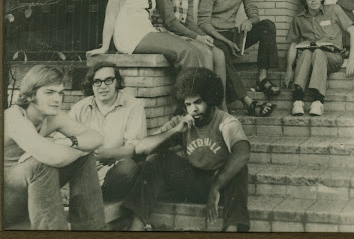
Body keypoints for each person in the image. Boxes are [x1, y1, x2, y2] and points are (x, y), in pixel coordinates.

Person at [123, 68, 250, 232]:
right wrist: (175, 131)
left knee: (240, 170)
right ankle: (136, 228)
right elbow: (141, 148)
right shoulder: (182, 122)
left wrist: (216, 186)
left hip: (221, 184)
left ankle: (231, 230)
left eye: (198, 102)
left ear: (210, 99)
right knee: (157, 158)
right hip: (192, 181)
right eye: (188, 104)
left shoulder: (225, 122)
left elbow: (242, 153)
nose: (193, 110)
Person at [4, 65, 105, 230]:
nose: (57, 99)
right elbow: (54, 158)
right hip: (6, 204)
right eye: (49, 93)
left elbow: (97, 138)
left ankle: (92, 228)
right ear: (30, 95)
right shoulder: (13, 118)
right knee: (41, 162)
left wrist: (70, 142)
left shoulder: (52, 116)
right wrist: (81, 147)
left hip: (29, 196)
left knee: (85, 157)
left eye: (60, 93)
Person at [197, 0, 278, 117]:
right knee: (221, 54)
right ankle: (248, 103)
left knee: (267, 26)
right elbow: (203, 23)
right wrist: (225, 41)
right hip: (214, 35)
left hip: (232, 33)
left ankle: (262, 78)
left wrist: (250, 21)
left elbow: (254, 13)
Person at [153, 0, 228, 109]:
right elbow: (170, 22)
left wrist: (204, 36)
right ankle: (207, 105)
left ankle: (221, 106)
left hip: (183, 34)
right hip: (167, 34)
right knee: (206, 53)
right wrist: (197, 38)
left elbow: (190, 22)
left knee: (219, 54)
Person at [70, 61, 147, 202]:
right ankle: (85, 194)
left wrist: (108, 154)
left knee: (128, 168)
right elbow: (65, 142)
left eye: (108, 80)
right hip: (84, 169)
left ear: (117, 82)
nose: (103, 86)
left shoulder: (134, 107)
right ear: (91, 85)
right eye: (97, 82)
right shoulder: (79, 108)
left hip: (114, 170)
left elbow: (135, 149)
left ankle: (94, 197)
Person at [285, 0, 354, 116]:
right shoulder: (298, 19)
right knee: (307, 52)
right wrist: (289, 69)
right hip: (308, 59)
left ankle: (318, 101)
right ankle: (298, 100)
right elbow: (293, 44)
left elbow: (353, 31)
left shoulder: (334, 10)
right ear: (304, 1)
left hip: (333, 57)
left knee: (318, 52)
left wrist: (352, 59)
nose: (313, 0)